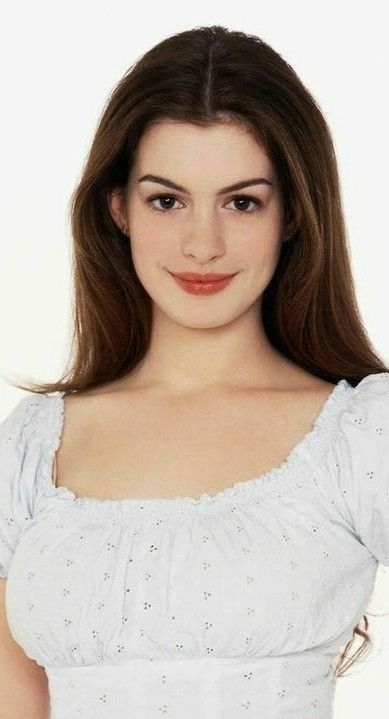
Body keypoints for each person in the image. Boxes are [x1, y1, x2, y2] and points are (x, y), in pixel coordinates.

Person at [1, 24, 388, 719]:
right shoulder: (32, 444)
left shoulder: (360, 434)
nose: (201, 244)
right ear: (117, 207)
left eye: (241, 201)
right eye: (166, 199)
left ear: (292, 213)